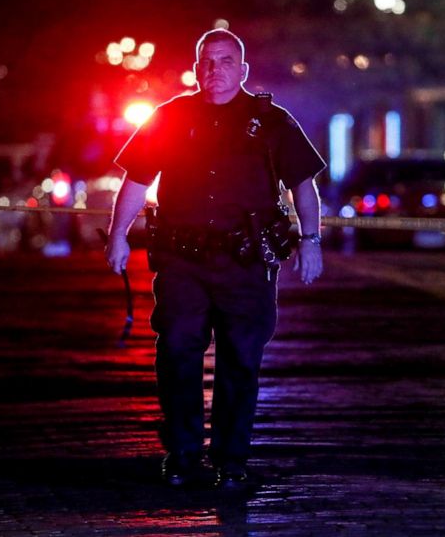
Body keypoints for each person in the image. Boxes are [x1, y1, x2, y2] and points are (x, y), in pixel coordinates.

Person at [105, 28, 326, 489]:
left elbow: (303, 184)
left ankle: (231, 460)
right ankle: (184, 453)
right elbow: (137, 180)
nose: (215, 70)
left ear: (242, 70)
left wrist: (311, 241)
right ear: (195, 68)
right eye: (207, 61)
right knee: (177, 352)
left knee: (241, 359)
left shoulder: (271, 121)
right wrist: (117, 236)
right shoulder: (170, 117)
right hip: (183, 260)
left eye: (225, 61)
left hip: (245, 263)